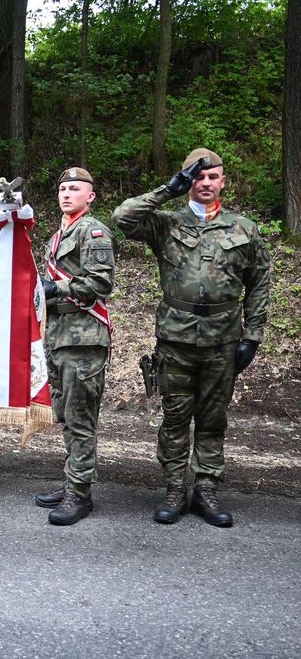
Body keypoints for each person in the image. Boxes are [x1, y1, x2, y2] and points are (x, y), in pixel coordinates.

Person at [112, 148, 271, 527]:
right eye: (198, 177)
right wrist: (168, 190)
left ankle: (205, 490)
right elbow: (122, 218)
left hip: (223, 340)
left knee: (213, 420)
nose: (206, 183)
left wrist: (252, 336)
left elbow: (259, 283)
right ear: (188, 181)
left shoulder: (243, 228)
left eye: (212, 177)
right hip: (176, 340)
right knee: (175, 418)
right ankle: (174, 489)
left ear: (223, 181)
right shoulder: (166, 224)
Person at [35, 168, 115, 525]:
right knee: (66, 414)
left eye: (75, 188)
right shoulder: (58, 236)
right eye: (63, 189)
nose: (66, 194)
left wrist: (58, 288)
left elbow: (101, 282)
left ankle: (79, 496)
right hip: (58, 333)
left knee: (80, 417)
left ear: (90, 196)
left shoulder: (93, 231)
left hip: (83, 337)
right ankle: (73, 482)